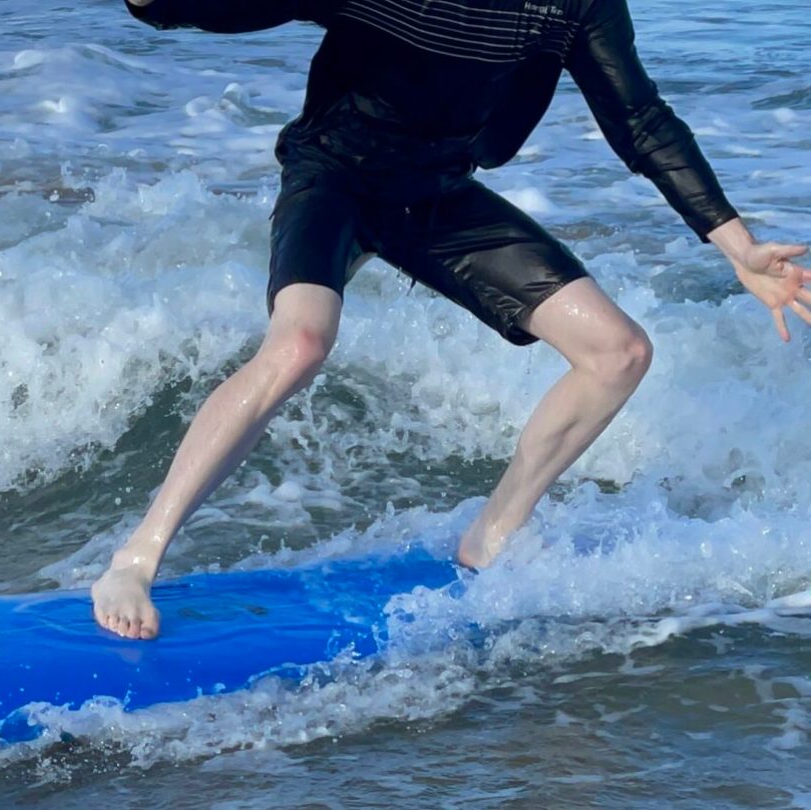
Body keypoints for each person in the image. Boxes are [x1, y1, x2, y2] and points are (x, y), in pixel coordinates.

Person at [93, 0, 811, 640]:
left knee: (618, 353)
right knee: (302, 343)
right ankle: (137, 557)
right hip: (336, 174)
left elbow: (639, 119)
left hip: (435, 195)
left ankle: (490, 538)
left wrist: (737, 245)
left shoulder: (575, 5)